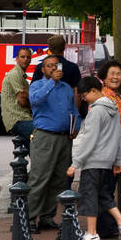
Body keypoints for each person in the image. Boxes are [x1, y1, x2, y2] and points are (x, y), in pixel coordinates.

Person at [69, 76, 121, 240]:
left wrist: (76, 163)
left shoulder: (95, 111)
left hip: (93, 161)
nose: (83, 99)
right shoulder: (113, 109)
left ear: (93, 91)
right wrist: (118, 160)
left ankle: (92, 233)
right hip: (108, 161)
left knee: (89, 195)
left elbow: (89, 139)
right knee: (103, 194)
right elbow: (118, 135)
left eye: (84, 95)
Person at [26, 56, 79, 231]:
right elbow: (35, 100)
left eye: (56, 65)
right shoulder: (37, 85)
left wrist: (76, 127)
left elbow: (73, 110)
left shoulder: (66, 89)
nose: (54, 68)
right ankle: (30, 217)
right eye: (50, 66)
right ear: (43, 70)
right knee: (40, 177)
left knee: (59, 179)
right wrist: (51, 83)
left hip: (65, 138)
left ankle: (47, 216)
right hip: (45, 137)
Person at [97, 58, 121, 238]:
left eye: (118, 74)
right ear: (104, 76)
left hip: (118, 150)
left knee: (108, 188)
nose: (116, 77)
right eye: (112, 74)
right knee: (104, 189)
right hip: (106, 151)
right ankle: (106, 227)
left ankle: (108, 226)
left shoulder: (118, 96)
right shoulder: (102, 97)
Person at [0, 47, 36, 145]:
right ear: (17, 59)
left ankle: (36, 158)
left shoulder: (21, 75)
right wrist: (30, 102)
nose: (25, 59)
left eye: (28, 57)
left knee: (34, 143)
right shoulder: (15, 74)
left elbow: (26, 96)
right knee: (39, 136)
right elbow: (23, 101)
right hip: (17, 119)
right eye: (22, 57)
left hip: (23, 117)